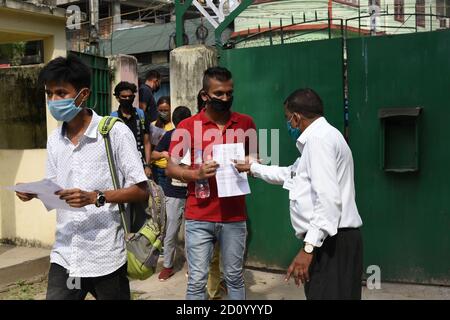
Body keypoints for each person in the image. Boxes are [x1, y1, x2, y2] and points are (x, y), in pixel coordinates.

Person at [15, 55, 149, 300]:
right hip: (66, 255)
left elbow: (141, 190)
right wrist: (33, 192)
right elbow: (55, 190)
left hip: (106, 257)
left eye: (61, 93)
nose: (53, 101)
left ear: (83, 94)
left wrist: (95, 197)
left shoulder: (115, 133)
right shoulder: (55, 139)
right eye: (49, 94)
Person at [235, 88, 363, 300]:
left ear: (296, 117)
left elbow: (328, 199)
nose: (289, 124)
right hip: (332, 238)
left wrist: (308, 248)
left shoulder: (319, 141)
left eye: (287, 118)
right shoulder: (323, 137)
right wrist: (253, 168)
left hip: (331, 241)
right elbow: (292, 174)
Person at [167, 66, 258, 300]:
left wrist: (251, 163)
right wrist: (196, 174)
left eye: (229, 93)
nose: (225, 98)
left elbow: (255, 158)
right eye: (219, 94)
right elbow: (171, 168)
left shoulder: (245, 123)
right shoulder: (187, 127)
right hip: (199, 215)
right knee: (197, 281)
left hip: (234, 216)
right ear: (205, 95)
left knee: (234, 278)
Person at [157, 106, 192, 281]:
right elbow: (154, 153)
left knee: (191, 233)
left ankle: (192, 267)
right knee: (171, 231)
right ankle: (168, 266)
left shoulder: (196, 137)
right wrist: (163, 153)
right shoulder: (170, 136)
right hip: (173, 192)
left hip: (192, 191)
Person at [111, 81, 152, 178]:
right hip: (121, 166)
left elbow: (147, 142)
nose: (127, 99)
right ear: (117, 98)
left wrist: (148, 166)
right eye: (124, 97)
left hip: (141, 164)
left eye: (130, 96)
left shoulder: (141, 115)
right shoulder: (113, 118)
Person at [150, 96, 175, 186]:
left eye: (166, 110)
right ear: (157, 109)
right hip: (156, 169)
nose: (163, 113)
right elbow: (149, 149)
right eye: (161, 110)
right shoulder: (153, 125)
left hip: (170, 169)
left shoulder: (173, 126)